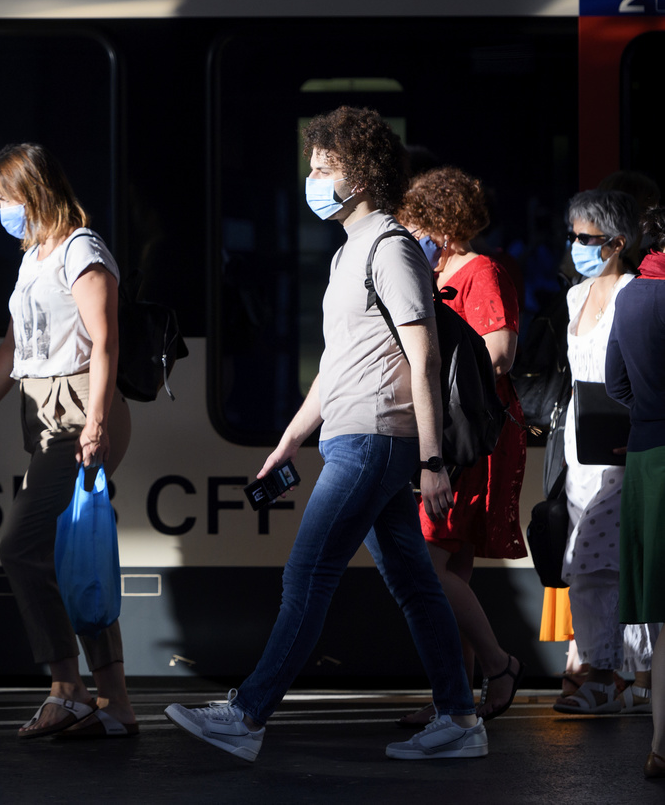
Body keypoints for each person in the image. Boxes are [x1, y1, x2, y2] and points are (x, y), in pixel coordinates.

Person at [166, 107, 483, 762]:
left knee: (308, 572)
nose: (311, 179)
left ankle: (247, 715)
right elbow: (335, 367)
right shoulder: (349, 254)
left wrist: (432, 457)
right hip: (354, 436)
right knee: (412, 581)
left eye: (323, 168)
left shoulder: (391, 248)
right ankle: (459, 716)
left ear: (360, 177)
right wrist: (288, 440)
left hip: (376, 437)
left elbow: (421, 356)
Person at [0, 143, 137, 739]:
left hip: (80, 409)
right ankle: (116, 705)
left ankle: (66, 688)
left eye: (3, 196)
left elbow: (104, 343)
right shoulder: (34, 256)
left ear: (31, 192)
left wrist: (97, 422)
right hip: (44, 411)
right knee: (72, 554)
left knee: (21, 548)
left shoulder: (81, 250)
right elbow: (12, 348)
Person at [393, 167, 527, 727]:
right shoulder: (435, 271)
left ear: (439, 222)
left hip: (469, 437)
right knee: (456, 570)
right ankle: (454, 699)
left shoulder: (481, 273)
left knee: (427, 564)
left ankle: (498, 665)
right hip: (456, 433)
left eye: (416, 220)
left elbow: (498, 355)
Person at [554, 189, 654, 714]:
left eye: (586, 238)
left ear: (617, 243)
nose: (576, 245)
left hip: (622, 442)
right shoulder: (576, 296)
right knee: (592, 564)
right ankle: (625, 678)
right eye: (572, 235)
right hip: (581, 445)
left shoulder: (635, 295)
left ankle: (604, 676)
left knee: (595, 561)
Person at [606, 205, 665, 778]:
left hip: (648, 456)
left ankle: (661, 746)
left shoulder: (633, 294)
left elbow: (616, 382)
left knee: (663, 614)